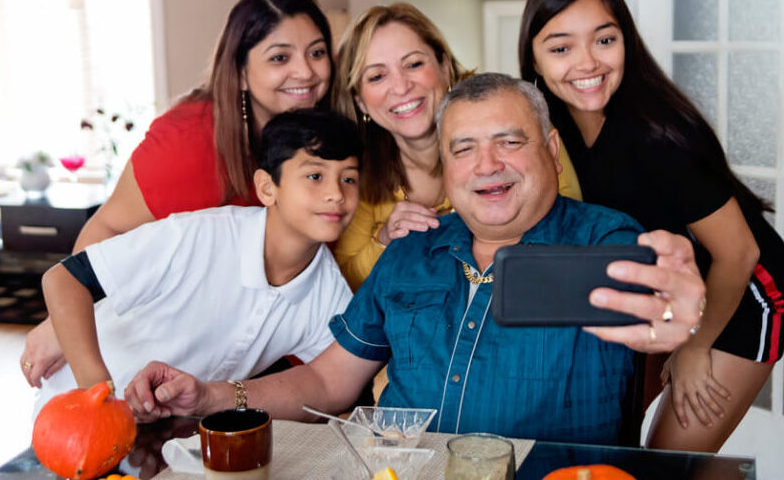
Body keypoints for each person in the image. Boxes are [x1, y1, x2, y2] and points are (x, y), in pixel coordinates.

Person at [123, 74, 707, 446]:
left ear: (551, 153)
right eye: (464, 148)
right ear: (447, 171)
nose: (486, 165)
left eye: (510, 141)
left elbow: (656, 295)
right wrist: (210, 397)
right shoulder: (411, 253)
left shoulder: (603, 239)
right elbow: (328, 383)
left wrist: (673, 309)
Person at [518, 0, 784, 452]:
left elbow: (739, 251)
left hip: (742, 293)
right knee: (613, 434)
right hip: (661, 289)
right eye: (561, 48)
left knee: (668, 460)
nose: (587, 63)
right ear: (535, 61)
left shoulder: (658, 136)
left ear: (626, 41)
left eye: (604, 40)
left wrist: (693, 347)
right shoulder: (553, 126)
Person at [22, 0, 335, 386]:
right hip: (150, 352)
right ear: (240, 71)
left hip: (251, 357)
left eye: (317, 52)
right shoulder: (189, 141)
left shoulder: (326, 142)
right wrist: (61, 325)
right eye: (280, 57)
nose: (306, 72)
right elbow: (107, 228)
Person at [35, 109, 361, 414]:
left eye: (348, 178)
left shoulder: (331, 293)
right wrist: (98, 391)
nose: (336, 193)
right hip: (74, 410)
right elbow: (63, 279)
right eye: (315, 176)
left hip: (163, 434)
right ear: (266, 187)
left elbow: (329, 384)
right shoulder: (196, 235)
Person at [330, 3, 582, 291]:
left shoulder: (519, 119)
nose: (400, 87)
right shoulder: (358, 171)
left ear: (444, 66)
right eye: (376, 76)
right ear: (360, 100)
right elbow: (342, 279)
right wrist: (385, 239)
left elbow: (573, 229)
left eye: (413, 64)